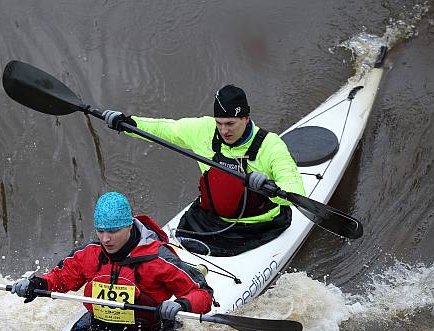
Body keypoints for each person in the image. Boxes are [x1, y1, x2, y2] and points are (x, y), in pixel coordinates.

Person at [11, 192, 213, 331]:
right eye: (101, 231)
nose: (106, 239)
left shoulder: (158, 259)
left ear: (128, 226)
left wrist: (181, 304)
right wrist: (35, 285)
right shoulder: (90, 253)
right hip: (96, 328)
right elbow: (60, 278)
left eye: (113, 231)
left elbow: (203, 294)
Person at [100, 85, 305, 256]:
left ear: (246, 118)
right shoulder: (203, 130)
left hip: (256, 229)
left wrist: (269, 188)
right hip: (206, 222)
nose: (224, 131)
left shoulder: (271, 146)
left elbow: (295, 193)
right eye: (220, 123)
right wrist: (127, 123)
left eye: (231, 124)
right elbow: (164, 129)